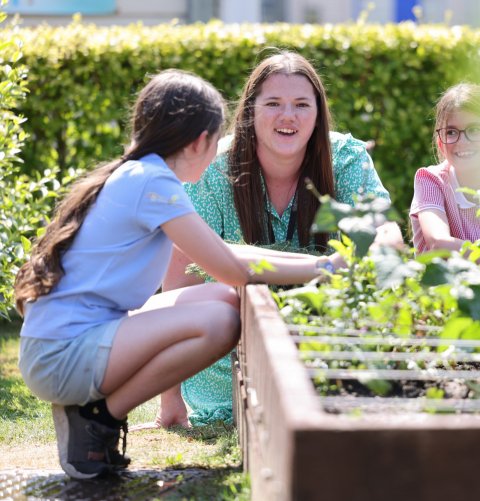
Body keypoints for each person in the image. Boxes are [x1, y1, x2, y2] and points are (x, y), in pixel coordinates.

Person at [13, 69, 344, 479]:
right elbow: (229, 267)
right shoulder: (153, 183)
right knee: (221, 321)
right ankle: (97, 417)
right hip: (61, 356)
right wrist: (323, 268)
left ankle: (94, 414)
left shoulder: (142, 174)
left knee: (222, 298)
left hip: (69, 343)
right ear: (199, 141)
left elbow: (224, 255)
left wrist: (326, 266)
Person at [157, 51, 402, 428]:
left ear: (318, 113)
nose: (288, 116)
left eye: (302, 104)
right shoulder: (215, 169)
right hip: (230, 361)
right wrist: (169, 402)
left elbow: (384, 232)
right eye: (273, 103)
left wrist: (384, 241)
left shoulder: (346, 161)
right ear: (251, 110)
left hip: (327, 344)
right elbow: (181, 278)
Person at [410, 83, 480, 254]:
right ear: (440, 143)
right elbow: (438, 243)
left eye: (474, 130)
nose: (462, 141)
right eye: (451, 132)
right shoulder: (431, 181)